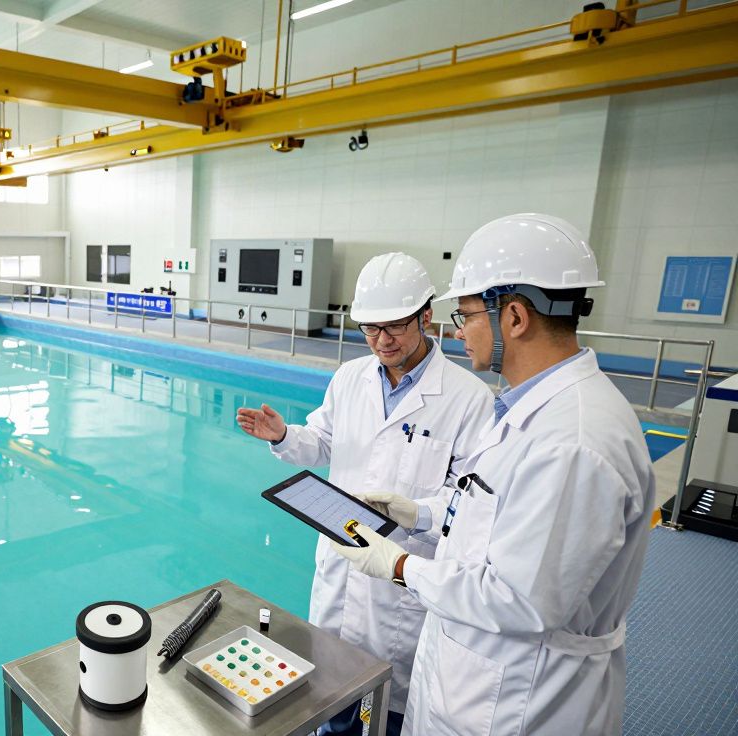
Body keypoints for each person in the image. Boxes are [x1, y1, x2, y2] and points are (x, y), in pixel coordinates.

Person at [333, 213, 654, 735]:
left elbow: (519, 599)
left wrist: (398, 566)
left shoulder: (573, 442)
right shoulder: (529, 411)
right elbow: (492, 519)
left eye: (465, 317)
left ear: (515, 318)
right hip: (477, 680)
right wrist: (422, 513)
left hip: (522, 700)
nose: (458, 333)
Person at [237, 252, 493, 735]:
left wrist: (417, 512)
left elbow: (469, 505)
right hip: (341, 565)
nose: (381, 341)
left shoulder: (467, 399)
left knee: (389, 712)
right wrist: (283, 436)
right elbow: (324, 440)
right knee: (329, 698)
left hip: (403, 583)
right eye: (370, 329)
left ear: (425, 316)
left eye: (394, 327)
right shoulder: (350, 378)